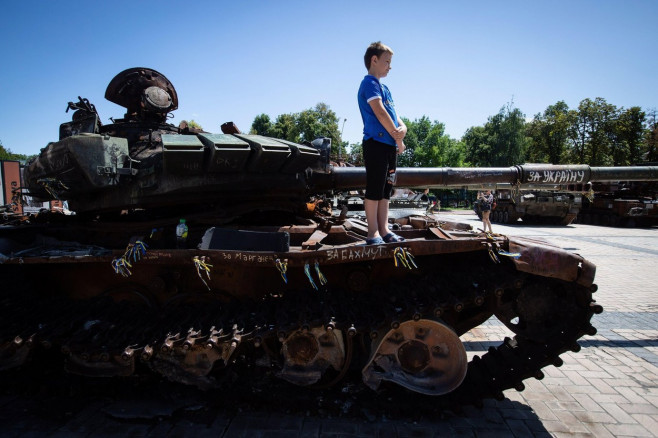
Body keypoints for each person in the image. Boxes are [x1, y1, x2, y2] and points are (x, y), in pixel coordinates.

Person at [357, 41, 407, 244]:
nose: (390, 66)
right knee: (375, 188)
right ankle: (373, 233)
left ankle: (385, 230)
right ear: (374, 60)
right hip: (375, 143)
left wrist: (403, 129)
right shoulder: (369, 83)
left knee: (386, 190)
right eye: (387, 61)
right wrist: (397, 136)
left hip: (389, 146)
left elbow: (395, 116)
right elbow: (379, 111)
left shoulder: (385, 88)